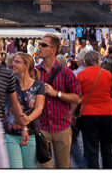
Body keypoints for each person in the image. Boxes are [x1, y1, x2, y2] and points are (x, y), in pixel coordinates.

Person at [35, 33, 82, 169]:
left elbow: (76, 98)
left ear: (53, 50)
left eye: (43, 45)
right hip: (42, 128)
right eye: (39, 44)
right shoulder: (34, 72)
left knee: (63, 167)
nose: (39, 47)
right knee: (45, 168)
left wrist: (56, 93)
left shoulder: (66, 72)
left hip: (62, 128)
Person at [77, 50, 112, 168]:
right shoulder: (107, 74)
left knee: (91, 150)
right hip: (108, 114)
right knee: (107, 150)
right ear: (98, 61)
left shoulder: (81, 75)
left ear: (85, 62)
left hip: (88, 115)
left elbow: (77, 97)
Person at [4, 52, 45, 168]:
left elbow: (39, 108)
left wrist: (26, 120)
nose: (13, 64)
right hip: (11, 134)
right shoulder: (10, 83)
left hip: (31, 134)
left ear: (26, 66)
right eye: (13, 61)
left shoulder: (38, 85)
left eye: (17, 62)